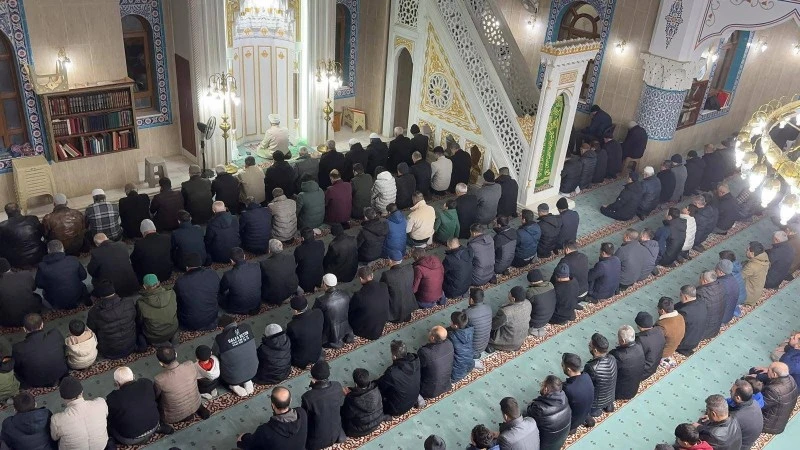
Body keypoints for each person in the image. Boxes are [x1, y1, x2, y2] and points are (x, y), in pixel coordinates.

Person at [106, 367, 166, 445]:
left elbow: (111, 418)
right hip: (154, 425)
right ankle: (158, 429)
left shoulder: (112, 398)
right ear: (133, 376)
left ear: (117, 383)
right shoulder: (146, 383)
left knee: (109, 424)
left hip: (130, 438)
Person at [153, 346, 211, 424]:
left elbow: (156, 396)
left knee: (157, 399)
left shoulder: (159, 379)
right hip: (196, 403)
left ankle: (185, 416)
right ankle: (198, 409)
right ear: (176, 354)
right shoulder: (190, 365)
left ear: (160, 363)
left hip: (175, 416)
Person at [237, 386, 308, 449]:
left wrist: (243, 437)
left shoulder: (265, 431)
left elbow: (252, 445)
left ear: (273, 405)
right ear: (290, 401)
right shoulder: (302, 413)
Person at [50, 376, 109, 450]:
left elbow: (54, 438)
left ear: (63, 398)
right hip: (101, 447)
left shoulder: (57, 420)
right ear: (82, 391)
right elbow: (106, 415)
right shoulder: (101, 403)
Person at [12, 313, 68, 388]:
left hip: (34, 382)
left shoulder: (18, 348)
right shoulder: (55, 334)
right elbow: (64, 351)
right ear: (42, 324)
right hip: (60, 373)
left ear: (24, 329)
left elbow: (16, 368)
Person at [87, 280, 138, 360]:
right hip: (131, 346)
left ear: (100, 295)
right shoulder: (129, 303)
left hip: (109, 352)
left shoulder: (94, 312)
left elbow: (91, 331)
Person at [301, 360, 346, 449]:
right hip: (335, 434)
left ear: (313, 378)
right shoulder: (337, 386)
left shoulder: (308, 397)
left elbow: (305, 418)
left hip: (316, 440)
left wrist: (312, 386)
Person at [213, 315, 258, 397]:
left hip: (231, 378)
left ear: (221, 328)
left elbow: (215, 355)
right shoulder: (247, 328)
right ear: (235, 322)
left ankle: (233, 385)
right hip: (253, 370)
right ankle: (247, 380)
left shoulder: (220, 339)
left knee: (215, 360)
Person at [174, 252, 220, 331]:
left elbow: (176, 299)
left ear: (187, 267)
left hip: (190, 323)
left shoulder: (181, 282)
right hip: (212, 318)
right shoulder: (212, 273)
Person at [526, 375, 571, 450]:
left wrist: (532, 403)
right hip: (560, 441)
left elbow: (529, 410)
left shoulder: (539, 409)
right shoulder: (564, 397)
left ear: (546, 389)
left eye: (542, 384)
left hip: (545, 446)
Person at [377, 340, 422, 416]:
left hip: (396, 409)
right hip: (413, 400)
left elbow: (380, 385)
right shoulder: (416, 361)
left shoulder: (392, 373)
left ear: (394, 357)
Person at [86, 233, 137, 299]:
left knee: (95, 279)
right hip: (131, 286)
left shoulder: (96, 253)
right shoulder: (122, 245)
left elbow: (91, 271)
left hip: (112, 290)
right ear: (107, 238)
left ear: (97, 244)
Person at [136, 274, 179, 347]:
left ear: (144, 287)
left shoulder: (141, 303)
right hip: (173, 329)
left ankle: (162, 345)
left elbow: (140, 321)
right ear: (158, 282)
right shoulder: (171, 293)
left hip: (155, 337)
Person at [757, 361, 799, 434]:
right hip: (777, 421)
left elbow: (758, 405)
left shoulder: (774, 390)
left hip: (768, 425)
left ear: (774, 374)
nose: (767, 371)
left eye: (769, 370)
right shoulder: (791, 379)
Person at [342, 368, 385, 438]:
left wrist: (348, 395)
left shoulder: (352, 399)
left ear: (356, 384)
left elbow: (347, 415)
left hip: (358, 430)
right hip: (376, 423)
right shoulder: (376, 389)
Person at [350, 266, 391, 340]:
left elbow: (351, 310)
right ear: (372, 275)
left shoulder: (359, 295)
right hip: (380, 325)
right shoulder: (384, 286)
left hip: (363, 330)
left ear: (361, 279)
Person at [314, 274, 355, 349]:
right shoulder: (345, 293)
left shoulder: (320, 301)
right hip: (346, 326)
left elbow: (315, 314)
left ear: (324, 284)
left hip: (331, 331)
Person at [488, 287, 531, 352]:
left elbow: (493, 326)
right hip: (521, 339)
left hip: (508, 342)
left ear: (513, 299)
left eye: (509, 293)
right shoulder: (528, 303)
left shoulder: (506, 312)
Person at [219, 247, 261, 315]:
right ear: (244, 256)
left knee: (218, 295)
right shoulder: (256, 266)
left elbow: (221, 290)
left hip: (238, 308)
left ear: (231, 261)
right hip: (256, 305)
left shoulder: (228, 275)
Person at [0, 258, 40, 327]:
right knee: (37, 296)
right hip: (33, 314)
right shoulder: (26, 274)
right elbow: (34, 288)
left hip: (10, 321)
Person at [585, 333, 618, 417]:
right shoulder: (612, 358)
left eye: (590, 345)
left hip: (596, 403)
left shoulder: (591, 367)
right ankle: (608, 406)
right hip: (610, 397)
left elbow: (586, 386)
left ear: (595, 350)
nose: (589, 346)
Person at [609, 325, 645, 400]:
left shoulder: (618, 355)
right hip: (634, 388)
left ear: (623, 341)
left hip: (619, 393)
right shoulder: (639, 346)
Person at [380, 251, 417, 323]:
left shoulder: (387, 275)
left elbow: (381, 288)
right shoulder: (409, 268)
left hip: (395, 308)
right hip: (408, 303)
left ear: (390, 261)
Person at [419, 326, 455, 399]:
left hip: (429, 391)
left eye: (430, 332)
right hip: (446, 385)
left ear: (432, 338)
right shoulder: (449, 343)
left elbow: (418, 368)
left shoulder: (425, 352)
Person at [562, 352, 594, 434]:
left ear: (568, 369)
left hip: (573, 420)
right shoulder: (587, 376)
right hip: (586, 411)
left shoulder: (567, 388)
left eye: (562, 365)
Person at [259, 239, 299, 305]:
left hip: (274, 295)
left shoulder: (264, 264)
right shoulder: (291, 257)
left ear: (269, 250)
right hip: (291, 289)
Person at [728, 379, 763, 449]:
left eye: (731, 391)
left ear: (738, 398)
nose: (729, 391)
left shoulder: (736, 417)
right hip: (748, 440)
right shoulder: (754, 402)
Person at [675, 285, 708, 356]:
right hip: (697, 339)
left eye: (680, 295)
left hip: (685, 344)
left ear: (685, 297)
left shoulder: (684, 312)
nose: (679, 297)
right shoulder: (702, 303)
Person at [634, 312, 665, 379]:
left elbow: (635, 357)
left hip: (644, 372)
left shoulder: (641, 340)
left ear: (640, 327)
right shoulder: (659, 330)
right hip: (654, 366)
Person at [525, 269, 556, 337]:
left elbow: (525, 305)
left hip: (534, 322)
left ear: (531, 282)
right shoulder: (550, 285)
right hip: (548, 318)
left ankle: (533, 330)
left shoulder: (531, 292)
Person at [295, 227, 325, 293]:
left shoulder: (299, 250)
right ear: (313, 234)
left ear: (302, 238)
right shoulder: (321, 243)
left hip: (305, 282)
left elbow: (295, 262)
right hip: (319, 277)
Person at [465, 288, 492, 360]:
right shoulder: (488, 308)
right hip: (484, 344)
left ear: (471, 300)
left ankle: (473, 354)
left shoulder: (467, 313)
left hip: (473, 348)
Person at [448, 311, 475, 382]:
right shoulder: (470, 330)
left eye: (451, 321)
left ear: (455, 326)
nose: (450, 322)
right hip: (469, 366)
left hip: (455, 375)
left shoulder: (451, 336)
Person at [698, 270, 725, 340]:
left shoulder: (701, 293)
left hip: (703, 332)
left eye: (700, 278)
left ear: (704, 281)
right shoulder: (721, 285)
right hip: (715, 329)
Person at [716, 259, 739, 324]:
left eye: (716, 270)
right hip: (729, 315)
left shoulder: (720, 284)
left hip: (720, 319)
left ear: (721, 272)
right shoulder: (733, 279)